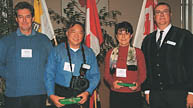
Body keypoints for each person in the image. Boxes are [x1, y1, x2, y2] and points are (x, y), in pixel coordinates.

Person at [0, 1, 53, 108]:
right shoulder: (6, 41)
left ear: (33, 18)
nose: (24, 20)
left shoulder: (44, 40)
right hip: (14, 94)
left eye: (27, 17)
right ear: (16, 19)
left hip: (38, 93)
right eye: (21, 17)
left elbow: (52, 64)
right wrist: (10, 76)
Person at [141, 2, 193, 108]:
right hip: (155, 95)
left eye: (165, 12)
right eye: (158, 12)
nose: (161, 15)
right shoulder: (147, 40)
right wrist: (146, 91)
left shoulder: (184, 36)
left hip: (178, 93)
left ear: (171, 14)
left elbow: (191, 65)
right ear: (154, 16)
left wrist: (191, 92)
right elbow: (145, 67)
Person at [45, 21, 100, 108]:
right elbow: (49, 74)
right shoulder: (57, 51)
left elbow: (95, 75)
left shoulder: (89, 53)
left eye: (80, 33)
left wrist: (88, 92)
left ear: (83, 35)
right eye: (73, 32)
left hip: (82, 95)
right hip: (61, 95)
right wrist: (51, 95)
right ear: (67, 33)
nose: (76, 36)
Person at [104, 21, 146, 108]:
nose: (123, 36)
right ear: (116, 36)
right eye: (120, 33)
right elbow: (106, 75)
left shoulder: (138, 52)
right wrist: (112, 83)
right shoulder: (110, 53)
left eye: (126, 33)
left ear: (131, 36)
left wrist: (138, 83)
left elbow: (143, 74)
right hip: (116, 94)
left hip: (134, 94)